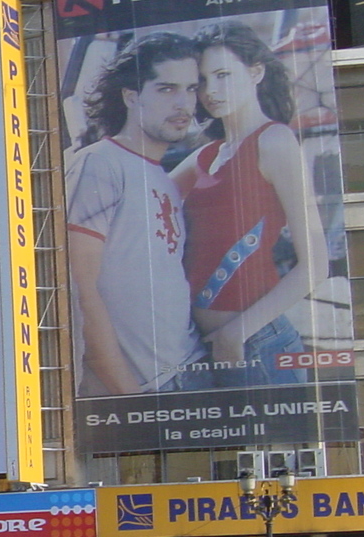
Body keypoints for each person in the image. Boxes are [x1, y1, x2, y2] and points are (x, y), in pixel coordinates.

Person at [171, 20, 329, 386]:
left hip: (258, 343)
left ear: (256, 72)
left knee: (280, 446)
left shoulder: (274, 141)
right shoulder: (207, 154)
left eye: (223, 75)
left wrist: (236, 333)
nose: (212, 91)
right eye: (203, 81)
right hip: (205, 346)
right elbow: (144, 193)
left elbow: (315, 264)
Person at [68, 32, 206, 396]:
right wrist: (131, 397)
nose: (184, 104)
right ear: (130, 96)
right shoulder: (99, 163)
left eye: (191, 89)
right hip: (143, 389)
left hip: (188, 367)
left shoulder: (160, 175)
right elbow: (78, 288)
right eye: (166, 89)